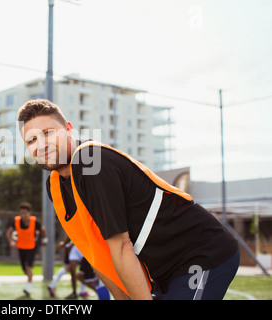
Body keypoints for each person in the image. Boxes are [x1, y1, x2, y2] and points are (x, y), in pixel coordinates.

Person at [17, 99, 240, 300]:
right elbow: (96, 252)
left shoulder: (90, 162)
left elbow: (121, 246)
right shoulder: (55, 185)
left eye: (48, 133)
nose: (41, 144)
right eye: (32, 140)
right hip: (163, 272)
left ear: (68, 130)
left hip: (201, 253)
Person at [6, 202, 47, 297]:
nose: (23, 215)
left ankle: (28, 288)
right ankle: (29, 278)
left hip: (32, 247)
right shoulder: (16, 221)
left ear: (29, 212)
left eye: (25, 213)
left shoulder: (34, 222)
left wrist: (45, 239)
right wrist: (11, 241)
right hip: (21, 247)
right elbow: (8, 233)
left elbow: (43, 230)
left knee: (28, 266)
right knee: (24, 269)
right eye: (21, 213)